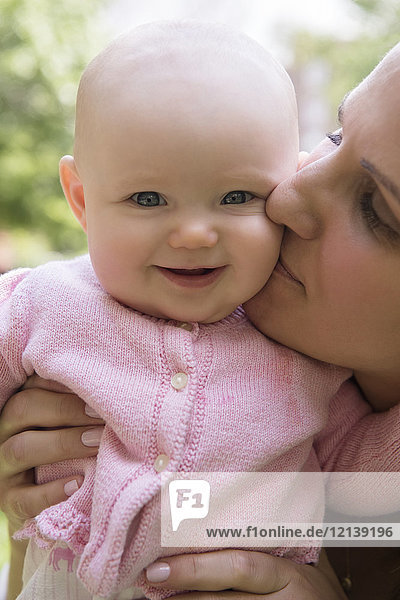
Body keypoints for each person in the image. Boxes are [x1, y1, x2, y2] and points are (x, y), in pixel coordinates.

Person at [0, 23, 399, 600]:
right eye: (336, 136)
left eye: (379, 211)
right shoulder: (46, 304)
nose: (285, 197)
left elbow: (369, 494)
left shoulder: (314, 383)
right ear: (82, 200)